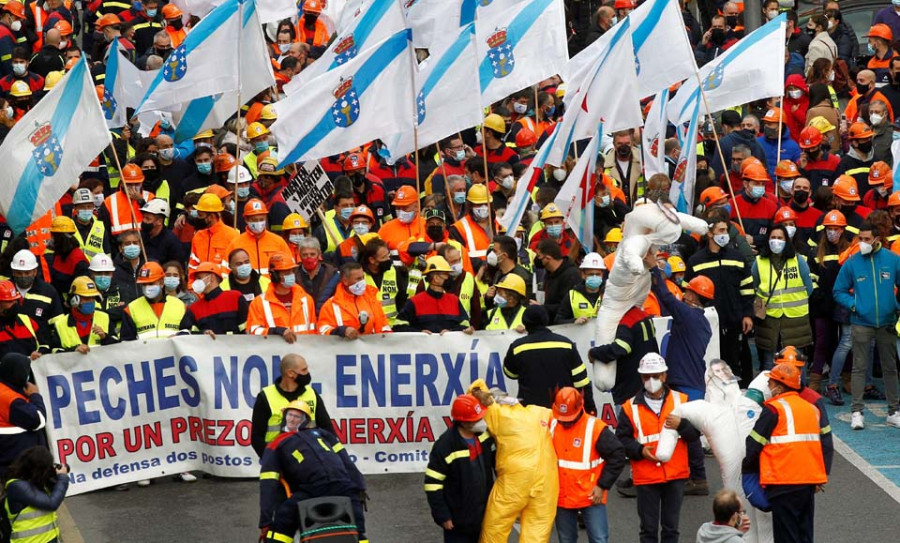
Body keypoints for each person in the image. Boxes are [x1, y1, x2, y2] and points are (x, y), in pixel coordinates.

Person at [742, 363, 832, 543]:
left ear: (779, 387)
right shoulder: (811, 409)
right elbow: (823, 445)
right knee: (804, 534)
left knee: (786, 537)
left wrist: (749, 473)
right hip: (807, 483)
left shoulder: (774, 409)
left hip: (782, 482)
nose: (768, 387)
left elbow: (753, 444)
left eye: (770, 383)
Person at [616, 353, 701, 543]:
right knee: (648, 531)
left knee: (671, 530)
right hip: (646, 477)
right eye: (647, 377)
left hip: (675, 475)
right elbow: (621, 440)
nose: (651, 380)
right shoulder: (630, 407)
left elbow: (695, 435)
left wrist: (682, 425)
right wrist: (639, 451)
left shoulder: (682, 401)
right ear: (641, 378)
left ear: (664, 376)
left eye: (656, 376)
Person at [259, 401, 367, 543]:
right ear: (285, 416)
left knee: (281, 524)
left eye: (297, 417)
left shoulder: (276, 444)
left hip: (312, 489)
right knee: (358, 530)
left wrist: (265, 522)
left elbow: (268, 482)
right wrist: (359, 488)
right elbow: (347, 462)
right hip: (344, 487)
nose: (292, 419)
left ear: (305, 421)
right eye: (290, 415)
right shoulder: (323, 434)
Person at [467, 380, 557, 543]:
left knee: (496, 526)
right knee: (537, 532)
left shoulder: (499, 414)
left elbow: (475, 388)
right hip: (547, 484)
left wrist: (484, 396)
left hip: (515, 482)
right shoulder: (541, 412)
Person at [650, 267, 714, 496]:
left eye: (688, 291)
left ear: (695, 297)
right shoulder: (699, 321)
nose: (684, 294)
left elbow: (667, 298)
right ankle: (691, 475)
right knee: (686, 429)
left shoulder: (689, 316)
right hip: (690, 381)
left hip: (686, 383)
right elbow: (666, 303)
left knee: (688, 431)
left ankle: (698, 478)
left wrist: (655, 271)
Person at [833, 221, 900, 430]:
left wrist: (896, 306)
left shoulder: (893, 260)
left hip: (887, 323)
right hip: (861, 322)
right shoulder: (852, 263)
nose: (862, 243)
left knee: (890, 368)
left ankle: (894, 411)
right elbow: (839, 291)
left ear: (877, 239)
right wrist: (855, 305)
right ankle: (857, 412)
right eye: (860, 239)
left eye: (867, 239)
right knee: (859, 367)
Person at [550, 387, 625, 543]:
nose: (565, 422)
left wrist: (602, 486)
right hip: (562, 496)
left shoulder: (595, 428)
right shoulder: (553, 425)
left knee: (598, 539)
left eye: (568, 419)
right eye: (562, 418)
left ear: (579, 408)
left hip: (590, 496)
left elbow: (617, 455)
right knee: (566, 539)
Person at [685, 218, 754, 383]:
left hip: (734, 322)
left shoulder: (737, 258)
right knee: (710, 365)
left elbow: (747, 289)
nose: (725, 234)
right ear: (710, 233)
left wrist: (747, 314)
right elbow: (688, 294)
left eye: (726, 230)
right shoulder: (696, 261)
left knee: (735, 366)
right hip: (707, 324)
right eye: (721, 230)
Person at [424, 394, 496, 543]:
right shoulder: (445, 446)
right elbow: (432, 485)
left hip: (485, 517)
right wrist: (443, 516)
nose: (480, 422)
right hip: (458, 522)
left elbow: (498, 463)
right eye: (476, 419)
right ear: (463, 422)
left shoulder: (484, 436)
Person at [503, 305, 595, 411]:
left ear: (525, 322)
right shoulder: (566, 344)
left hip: (530, 412)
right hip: (563, 411)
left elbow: (510, 373)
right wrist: (590, 409)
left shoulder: (517, 347)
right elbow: (581, 381)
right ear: (546, 320)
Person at [751, 225, 814, 369]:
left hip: (796, 322)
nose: (776, 241)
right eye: (773, 238)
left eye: (780, 238)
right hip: (768, 322)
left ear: (787, 241)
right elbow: (753, 288)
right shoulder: (759, 262)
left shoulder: (798, 261)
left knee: (796, 365)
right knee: (769, 365)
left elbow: (809, 289)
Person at [251, 353, 332, 456]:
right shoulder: (265, 397)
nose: (307, 373)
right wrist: (271, 460)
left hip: (310, 460)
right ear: (290, 373)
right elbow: (257, 437)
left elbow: (327, 430)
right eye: (304, 370)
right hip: (279, 459)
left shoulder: (311, 393)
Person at [3, 446, 70, 543]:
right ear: (39, 469)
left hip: (50, 539)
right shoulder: (16, 486)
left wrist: (55, 475)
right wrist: (63, 478)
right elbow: (52, 503)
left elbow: (56, 493)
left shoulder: (38, 483)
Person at [247, 252, 317, 342]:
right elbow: (253, 332)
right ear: (275, 276)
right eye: (286, 272)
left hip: (303, 352)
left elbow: (315, 332)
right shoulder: (259, 303)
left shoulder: (306, 300)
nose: (291, 275)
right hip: (274, 353)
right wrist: (275, 331)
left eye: (292, 271)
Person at [393, 256, 473, 334]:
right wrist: (419, 333)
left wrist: (452, 332)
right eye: (446, 274)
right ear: (436, 278)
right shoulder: (415, 302)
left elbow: (465, 325)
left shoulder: (454, 301)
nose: (449, 277)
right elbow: (398, 326)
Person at [0, 353, 47, 477]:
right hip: (15, 463)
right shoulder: (11, 399)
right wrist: (35, 395)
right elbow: (39, 420)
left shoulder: (6, 388)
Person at [318, 262, 392, 338]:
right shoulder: (331, 305)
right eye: (358, 279)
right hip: (344, 349)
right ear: (345, 281)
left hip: (371, 348)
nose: (362, 281)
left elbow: (383, 326)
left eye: (363, 277)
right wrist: (342, 331)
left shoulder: (372, 300)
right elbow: (323, 330)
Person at [120, 262, 187, 341]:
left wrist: (180, 336)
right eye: (144, 284)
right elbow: (126, 343)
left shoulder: (180, 306)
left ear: (161, 283)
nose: (147, 287)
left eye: (151, 283)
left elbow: (189, 335)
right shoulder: (131, 309)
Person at [48, 276, 117, 353]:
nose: (90, 301)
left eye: (92, 298)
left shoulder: (104, 317)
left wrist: (105, 337)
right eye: (86, 298)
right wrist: (74, 350)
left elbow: (119, 347)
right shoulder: (60, 324)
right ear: (74, 300)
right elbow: (54, 352)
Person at [179, 262, 248, 336]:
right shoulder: (194, 309)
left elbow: (247, 329)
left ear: (211, 277)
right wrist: (202, 333)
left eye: (199, 278)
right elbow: (183, 334)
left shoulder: (235, 298)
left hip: (235, 346)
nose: (196, 282)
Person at [224, 198, 290, 275]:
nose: (258, 223)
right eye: (254, 220)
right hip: (247, 286)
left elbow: (289, 267)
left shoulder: (278, 242)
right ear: (246, 219)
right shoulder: (235, 243)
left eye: (261, 219)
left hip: (272, 286)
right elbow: (226, 271)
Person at [188, 193, 239, 270]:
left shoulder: (232, 236)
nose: (198, 218)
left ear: (211, 217)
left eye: (200, 215)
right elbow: (193, 266)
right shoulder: (198, 236)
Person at [535, 238, 581, 323]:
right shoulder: (549, 273)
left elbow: (566, 306)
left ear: (548, 258)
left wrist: (543, 308)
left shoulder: (571, 275)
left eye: (539, 256)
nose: (537, 260)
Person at [0, 280, 45, 359]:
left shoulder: (28, 322)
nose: (14, 303)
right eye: (9, 301)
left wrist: (39, 353)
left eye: (15, 300)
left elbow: (44, 345)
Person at [555, 252, 605, 324]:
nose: (595, 277)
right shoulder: (572, 296)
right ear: (583, 274)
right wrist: (574, 321)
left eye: (598, 274)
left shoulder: (609, 294)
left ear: (602, 274)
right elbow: (558, 320)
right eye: (591, 274)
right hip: (579, 335)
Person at [449, 184, 494, 263]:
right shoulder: (458, 228)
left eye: (486, 204)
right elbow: (459, 257)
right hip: (473, 273)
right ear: (470, 205)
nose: (483, 207)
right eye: (479, 204)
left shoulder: (499, 224)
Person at [295, 237, 339, 314]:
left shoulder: (332, 273)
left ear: (319, 254)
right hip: (301, 316)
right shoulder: (293, 274)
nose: (309, 258)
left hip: (326, 315)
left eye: (312, 254)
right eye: (305, 255)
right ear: (300, 255)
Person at [140, 198, 184, 265]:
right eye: (143, 217)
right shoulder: (141, 236)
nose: (144, 221)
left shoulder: (172, 242)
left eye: (148, 219)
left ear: (159, 221)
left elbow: (176, 267)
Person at [71, 187, 109, 261]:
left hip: (97, 270)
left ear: (93, 207)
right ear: (75, 208)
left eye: (89, 207)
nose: (86, 210)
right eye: (82, 207)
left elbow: (107, 253)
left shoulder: (101, 227)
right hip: (76, 270)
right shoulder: (68, 227)